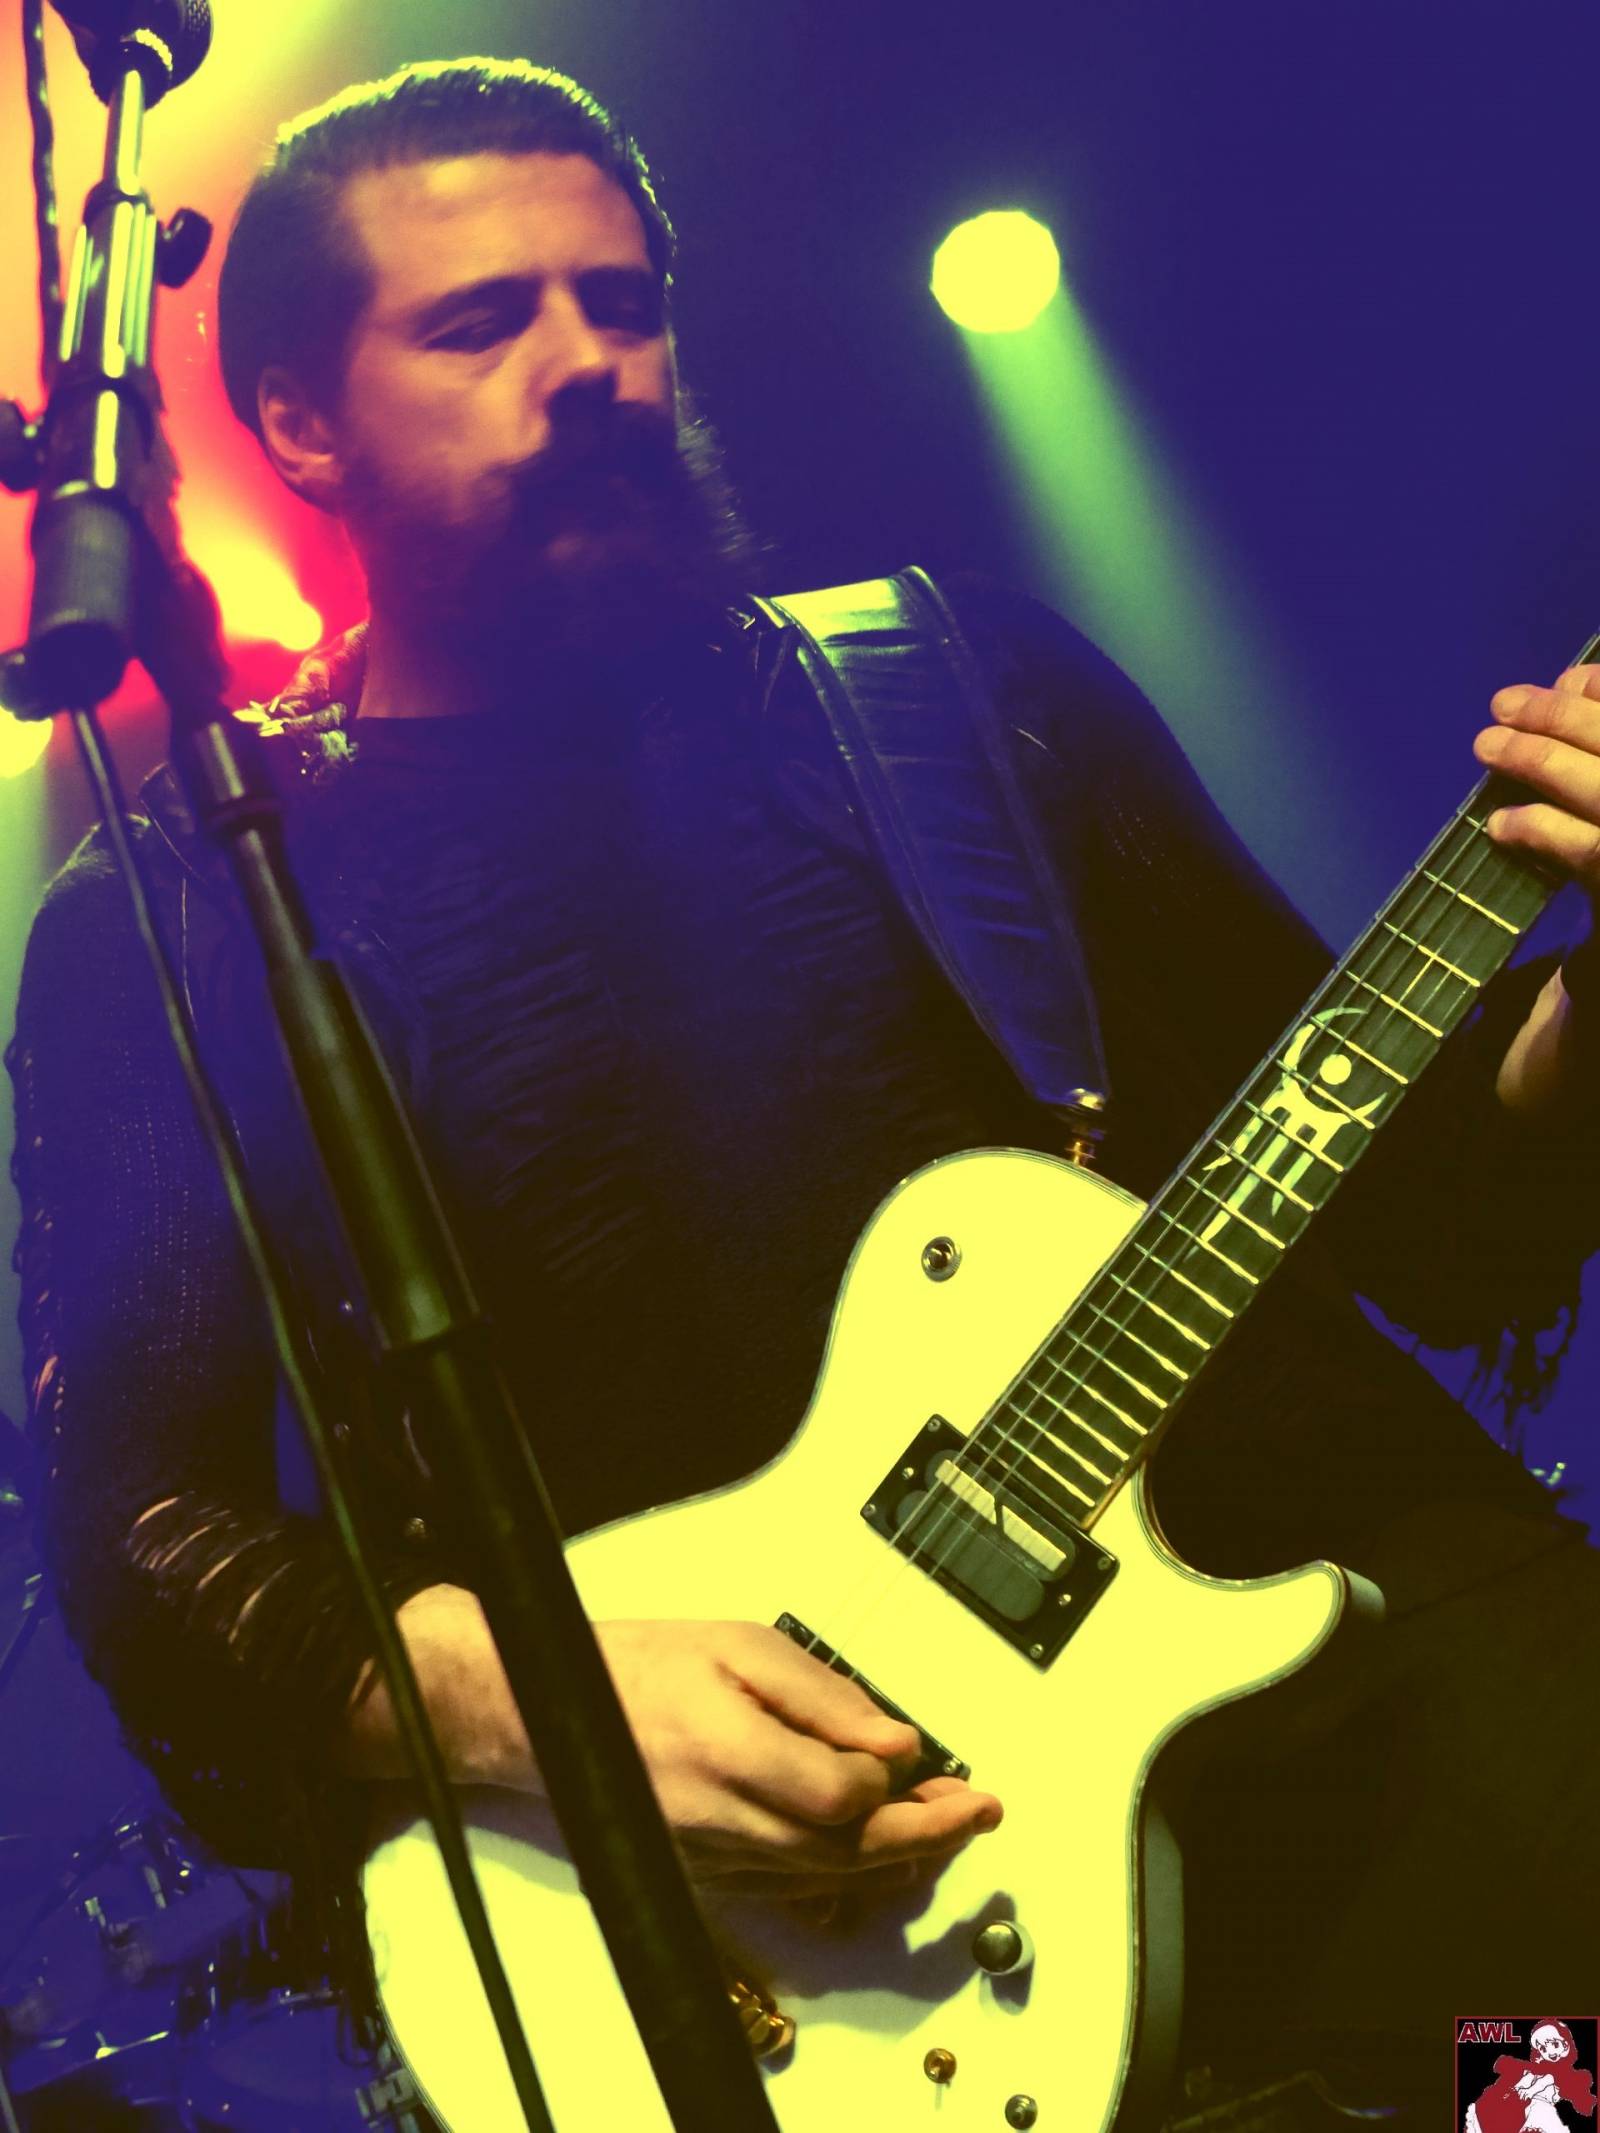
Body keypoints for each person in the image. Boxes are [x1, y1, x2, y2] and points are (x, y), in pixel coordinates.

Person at [8, 55, 1600, 2126]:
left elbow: (1440, 1218)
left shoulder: (963, 692)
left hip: (1417, 1792)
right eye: (480, 323)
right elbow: (141, 1528)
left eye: (621, 302)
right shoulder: (184, 908)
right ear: (300, 424)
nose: (586, 367)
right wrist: (538, 1706)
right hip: (822, 1951)